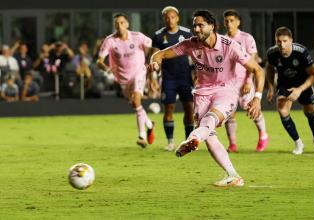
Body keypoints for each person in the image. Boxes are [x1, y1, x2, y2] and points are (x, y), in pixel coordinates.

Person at [149, 10, 264, 187]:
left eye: (200, 25)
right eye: (194, 25)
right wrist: (154, 62)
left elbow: (258, 70)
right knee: (209, 136)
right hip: (202, 93)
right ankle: (233, 175)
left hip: (226, 92)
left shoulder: (230, 45)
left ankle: (191, 139)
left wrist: (256, 98)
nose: (196, 29)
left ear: (212, 26)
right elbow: (161, 54)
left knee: (209, 121)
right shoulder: (191, 44)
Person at [97, 12, 155, 148]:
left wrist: (151, 62)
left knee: (136, 101)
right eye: (116, 23)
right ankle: (150, 124)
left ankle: (142, 136)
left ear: (127, 24)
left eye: (122, 23)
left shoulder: (137, 37)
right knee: (136, 106)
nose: (119, 25)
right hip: (122, 79)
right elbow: (99, 61)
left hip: (139, 73)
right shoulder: (110, 40)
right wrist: (106, 68)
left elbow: (153, 47)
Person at [266, 26, 314, 155]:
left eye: (285, 41)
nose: (282, 45)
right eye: (279, 41)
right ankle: (298, 143)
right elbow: (269, 68)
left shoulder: (302, 51)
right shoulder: (272, 53)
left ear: (291, 40)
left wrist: (299, 89)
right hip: (285, 84)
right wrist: (271, 88)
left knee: (309, 112)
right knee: (282, 110)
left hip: (303, 83)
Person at [222, 9, 269, 153]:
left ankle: (263, 135)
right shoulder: (222, 39)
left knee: (251, 110)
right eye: (227, 21)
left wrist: (249, 81)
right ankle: (232, 144)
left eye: (232, 20)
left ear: (238, 22)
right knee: (229, 112)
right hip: (229, 83)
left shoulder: (247, 38)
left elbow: (253, 61)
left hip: (243, 80)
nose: (229, 23)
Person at [151, 6, 194, 151]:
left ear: (178, 18)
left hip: (185, 77)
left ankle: (188, 141)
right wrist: (154, 70)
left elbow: (195, 53)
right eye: (167, 17)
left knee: (189, 108)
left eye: (173, 17)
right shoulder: (158, 35)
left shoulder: (187, 33)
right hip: (168, 78)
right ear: (164, 19)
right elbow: (155, 56)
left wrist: (197, 73)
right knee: (169, 108)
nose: (170, 20)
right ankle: (170, 142)